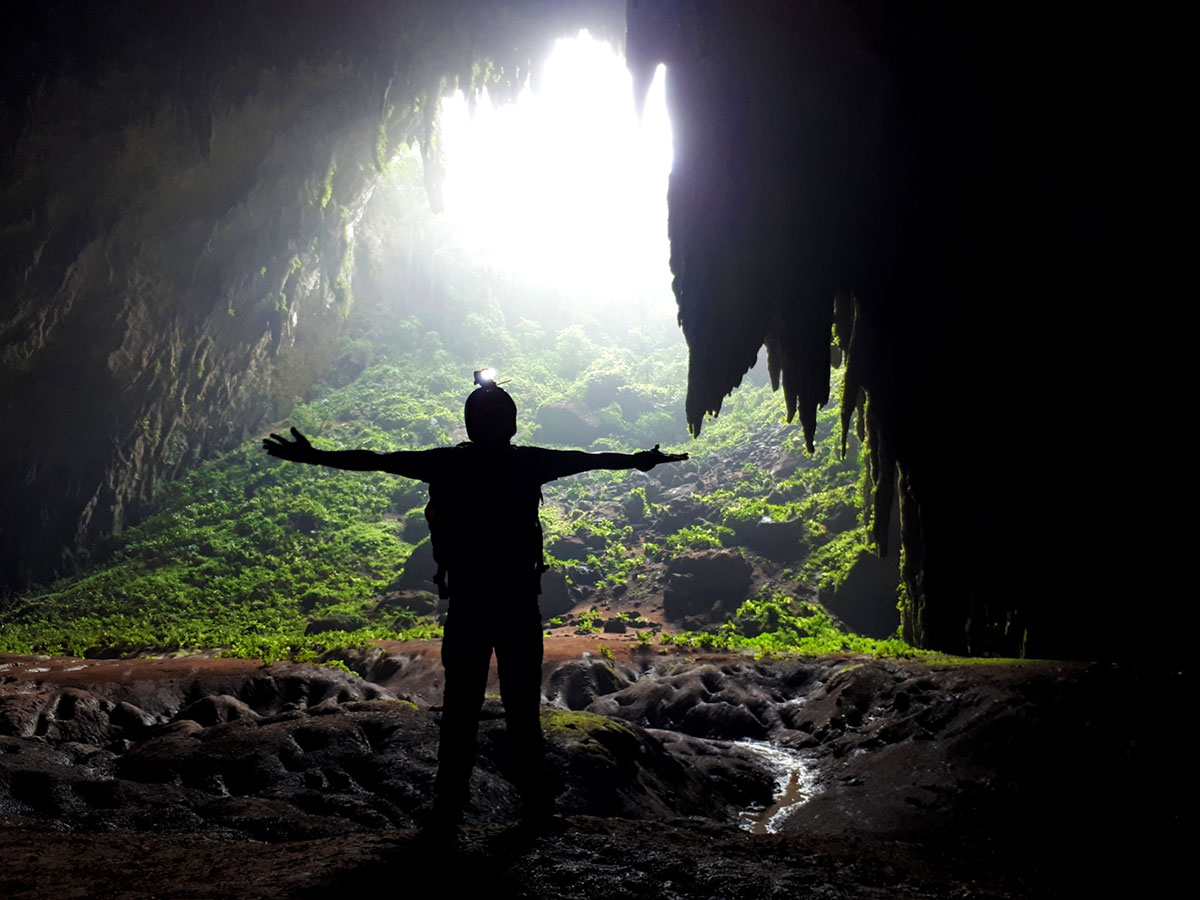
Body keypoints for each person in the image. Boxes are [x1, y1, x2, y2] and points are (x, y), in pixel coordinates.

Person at [263, 370, 687, 831]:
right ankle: (535, 811)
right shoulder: (529, 462)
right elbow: (592, 459)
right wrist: (641, 459)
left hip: (468, 602)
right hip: (517, 602)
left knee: (461, 709)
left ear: (469, 425)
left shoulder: (447, 463)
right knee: (521, 706)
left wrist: (314, 455)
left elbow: (375, 459)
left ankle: (448, 811)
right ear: (513, 424)